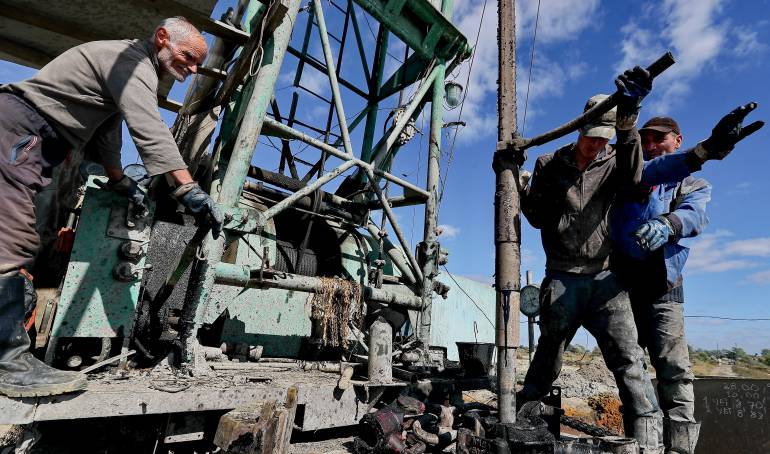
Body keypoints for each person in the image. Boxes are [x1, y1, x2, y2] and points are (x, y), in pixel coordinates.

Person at [0, 16, 224, 397]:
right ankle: (9, 364)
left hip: (30, 138)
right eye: (188, 57)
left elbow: (108, 131)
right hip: (22, 131)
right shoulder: (134, 62)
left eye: (197, 64)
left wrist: (119, 179)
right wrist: (186, 187)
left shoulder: (124, 65)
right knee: (11, 243)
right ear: (162, 38)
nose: (192, 69)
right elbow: (148, 126)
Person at [517, 65, 668, 451]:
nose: (595, 145)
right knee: (547, 358)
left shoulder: (616, 161)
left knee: (629, 361)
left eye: (603, 139)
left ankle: (648, 442)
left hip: (605, 280)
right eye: (590, 137)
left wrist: (629, 121)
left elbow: (635, 177)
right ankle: (525, 428)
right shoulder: (550, 164)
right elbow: (536, 217)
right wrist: (518, 183)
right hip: (562, 278)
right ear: (580, 129)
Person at [611, 108, 763, 454]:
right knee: (630, 368)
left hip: (664, 289)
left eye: (659, 139)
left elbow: (695, 215)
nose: (651, 145)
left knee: (674, 370)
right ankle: (642, 441)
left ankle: (679, 447)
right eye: (645, 140)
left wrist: (669, 224)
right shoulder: (630, 176)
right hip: (623, 288)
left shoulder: (692, 183)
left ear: (677, 141)